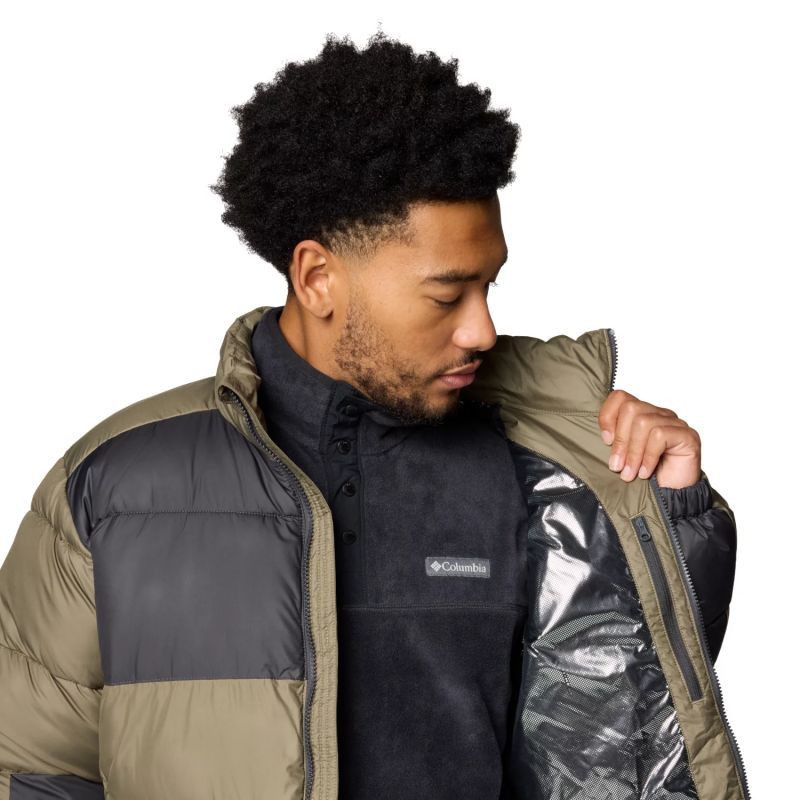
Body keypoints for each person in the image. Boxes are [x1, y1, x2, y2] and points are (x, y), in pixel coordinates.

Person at [0, 30, 746, 800]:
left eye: (488, 287)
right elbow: (29, 768)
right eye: (447, 295)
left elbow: (618, 735)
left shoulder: (538, 466)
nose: (482, 329)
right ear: (317, 278)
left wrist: (661, 517)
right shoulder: (116, 485)